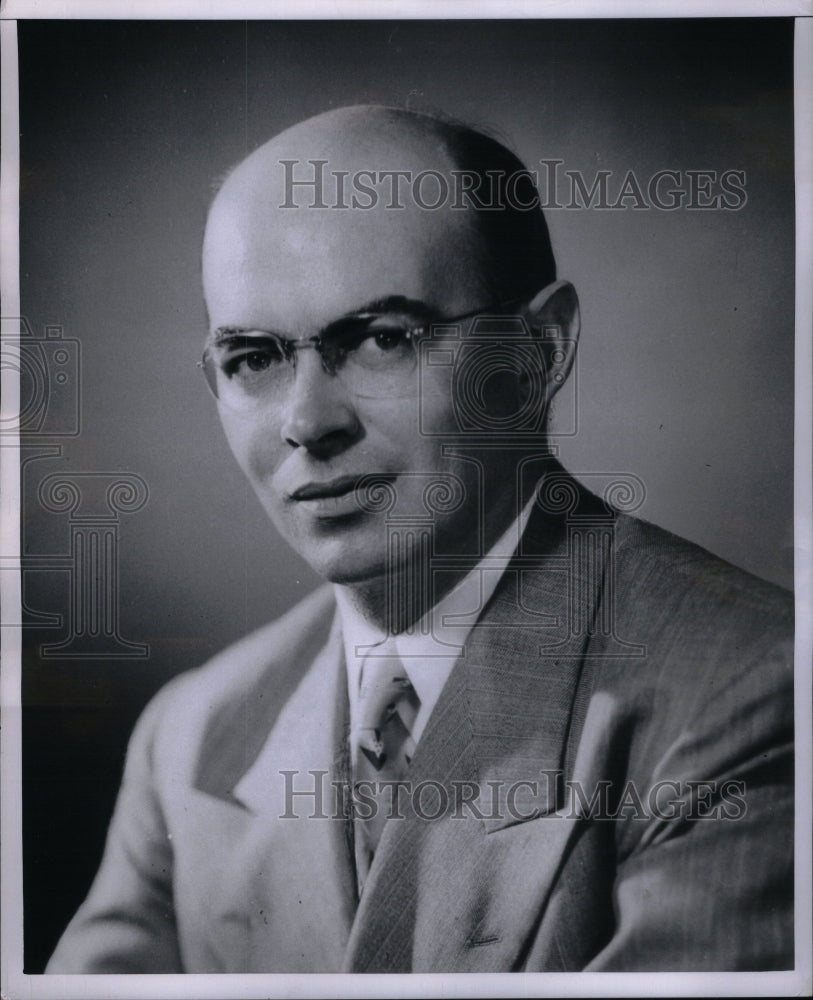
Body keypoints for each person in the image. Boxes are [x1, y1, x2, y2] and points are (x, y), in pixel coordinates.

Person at [46, 105, 793, 974]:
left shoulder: (749, 697)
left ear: (538, 351)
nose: (306, 421)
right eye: (253, 356)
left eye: (380, 339)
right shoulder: (191, 737)